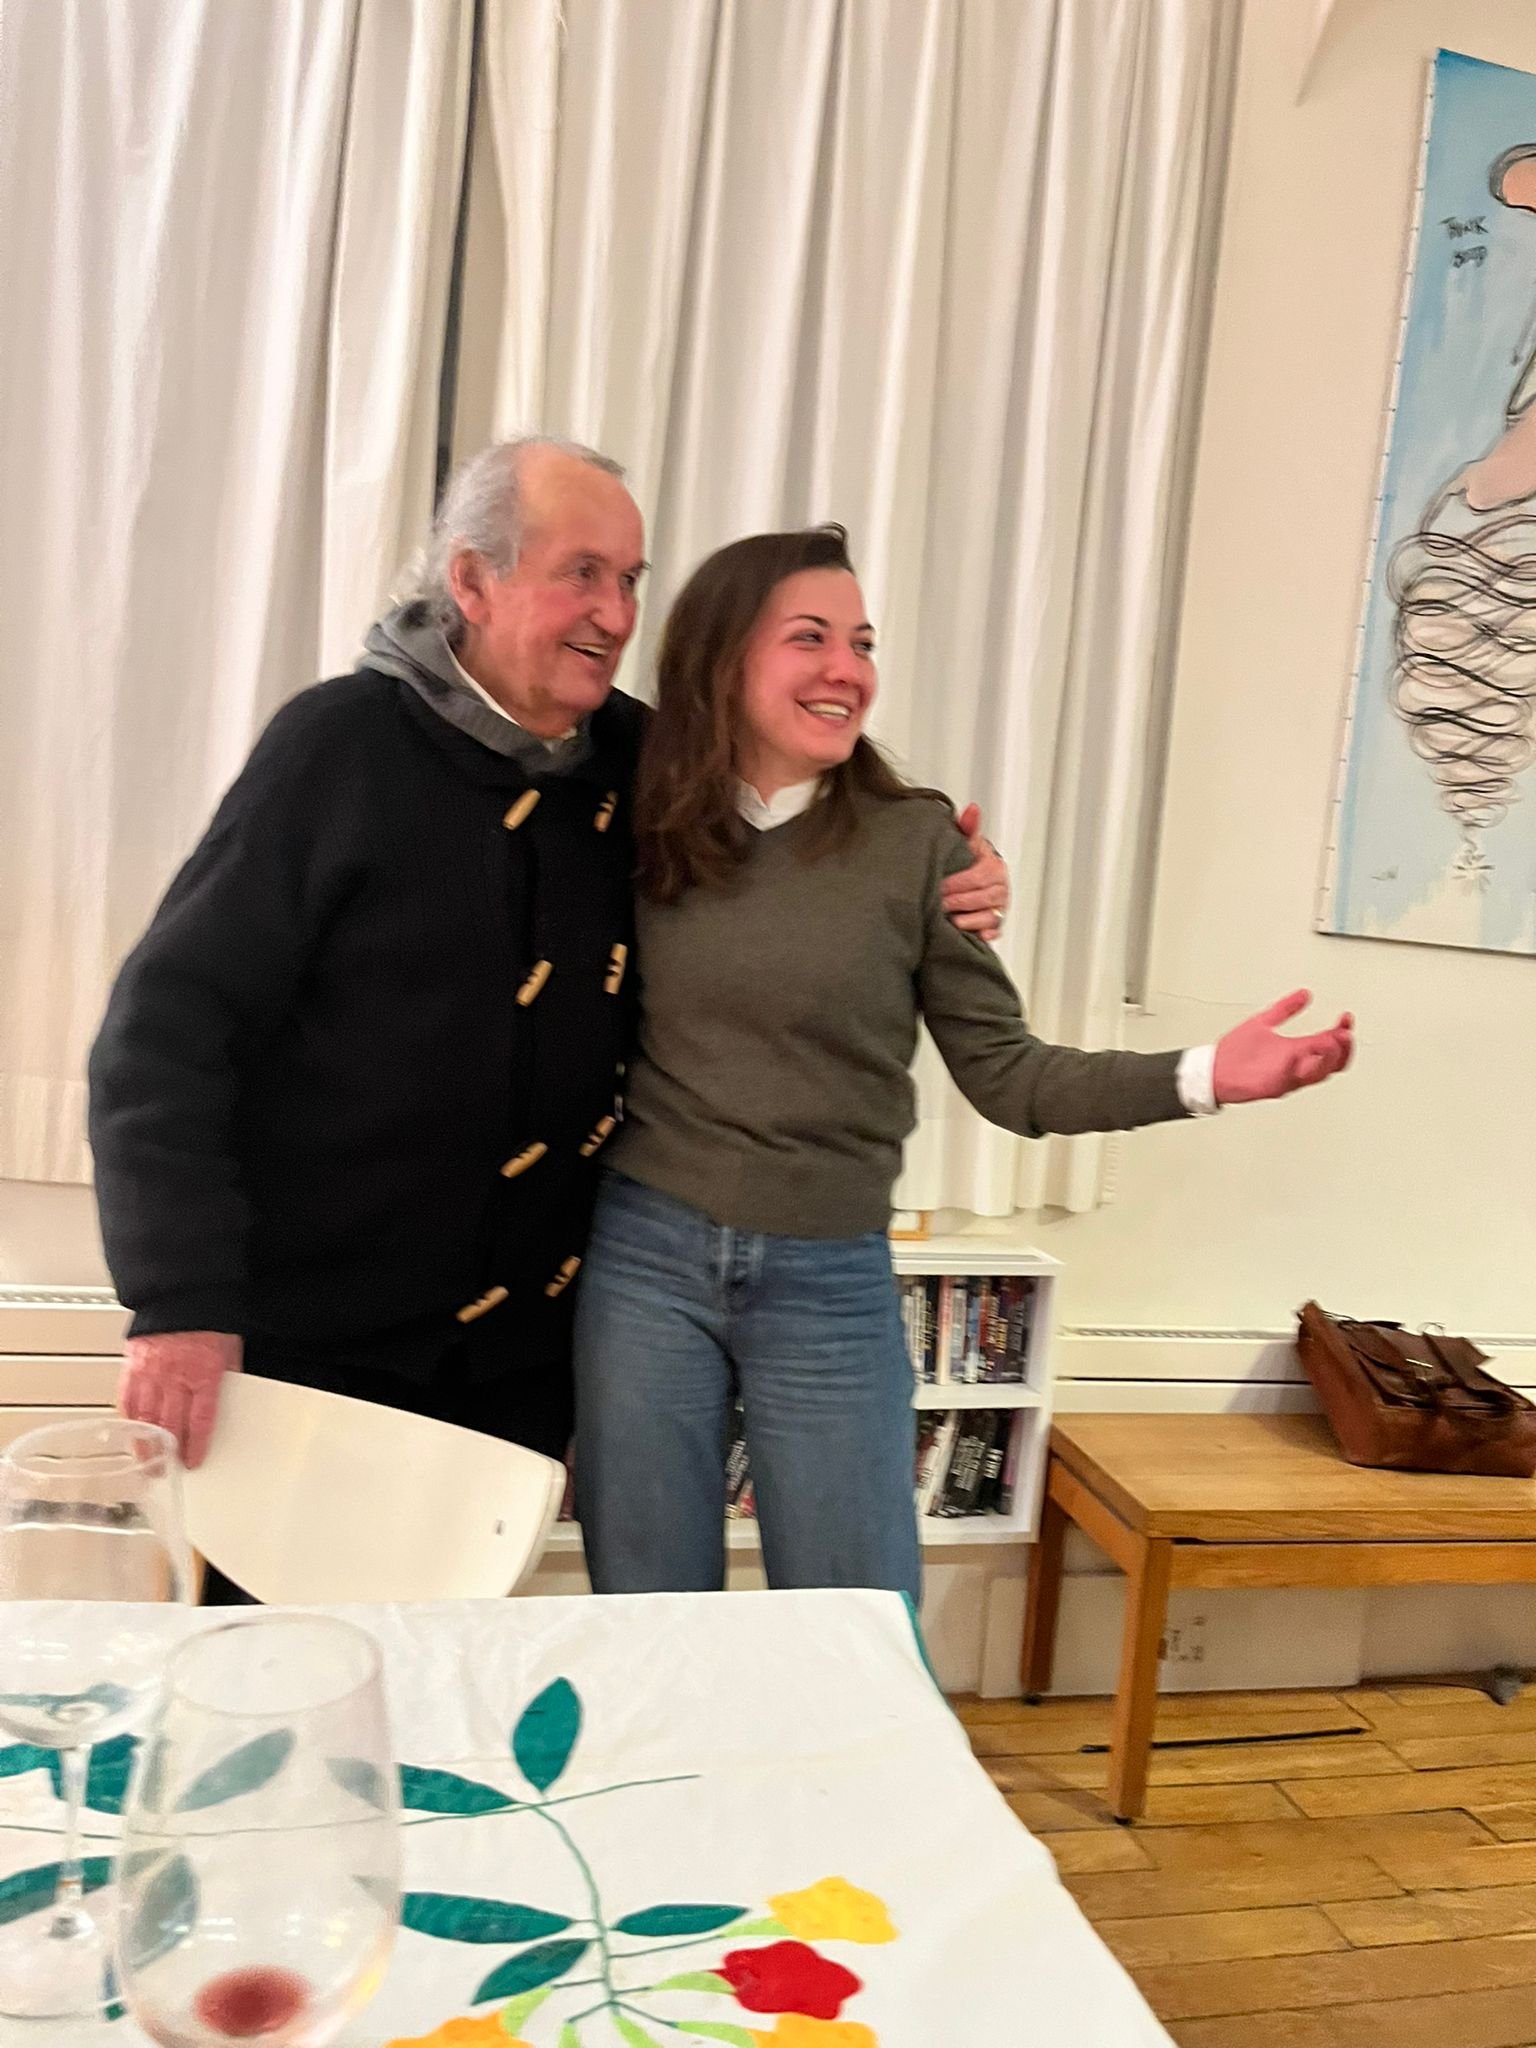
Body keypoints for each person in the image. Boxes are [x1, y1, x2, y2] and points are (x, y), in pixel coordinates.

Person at [88, 441, 1008, 1506]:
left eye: (630, 579)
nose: (615, 614)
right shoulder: (338, 746)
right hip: (318, 1344)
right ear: (472, 581)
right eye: (581, 573)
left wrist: (955, 866)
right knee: (285, 1617)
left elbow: (807, 818)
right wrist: (180, 1299)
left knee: (481, 1617)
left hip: (523, 1366)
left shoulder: (642, 760)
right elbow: (166, 1033)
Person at [572, 525, 1354, 1605]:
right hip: (646, 1262)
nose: (847, 668)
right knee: (649, 1611)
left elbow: (1011, 1078)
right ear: (722, 657)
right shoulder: (638, 813)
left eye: (862, 642)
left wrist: (1207, 1073)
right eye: (810, 637)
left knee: (859, 1617)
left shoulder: (917, 845)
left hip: (827, 1275)